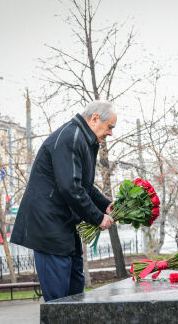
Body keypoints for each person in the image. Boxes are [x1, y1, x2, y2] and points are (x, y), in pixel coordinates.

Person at [11, 102, 116, 302]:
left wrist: (104, 204)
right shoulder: (72, 137)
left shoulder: (82, 139)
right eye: (110, 126)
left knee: (75, 293)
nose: (111, 133)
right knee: (59, 303)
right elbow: (70, 187)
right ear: (94, 118)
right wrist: (97, 217)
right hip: (48, 227)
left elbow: (81, 184)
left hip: (62, 225)